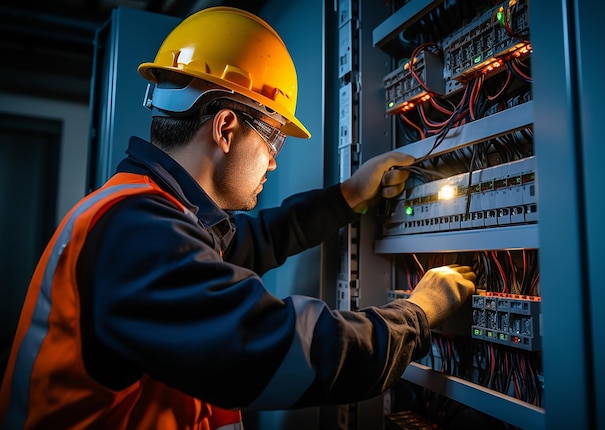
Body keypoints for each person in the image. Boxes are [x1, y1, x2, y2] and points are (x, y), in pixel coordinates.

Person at [0, 6, 475, 430]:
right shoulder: (137, 233)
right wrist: (419, 312)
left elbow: (257, 238)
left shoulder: (149, 212)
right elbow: (273, 349)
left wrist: (350, 195)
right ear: (226, 127)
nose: (273, 161)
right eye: (274, 140)